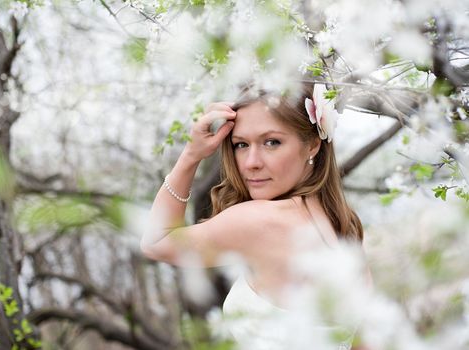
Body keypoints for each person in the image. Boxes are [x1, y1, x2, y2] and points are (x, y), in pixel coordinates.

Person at [140, 82, 369, 349]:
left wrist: (191, 155)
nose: (251, 162)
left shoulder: (260, 220)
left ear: (313, 145)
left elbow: (154, 243)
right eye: (241, 145)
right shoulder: (344, 228)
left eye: (272, 142)